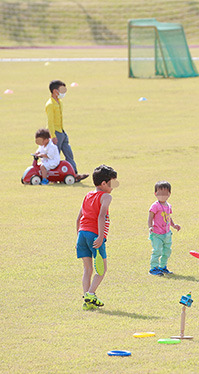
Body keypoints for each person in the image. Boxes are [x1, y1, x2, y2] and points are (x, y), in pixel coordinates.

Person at [75, 165, 118, 310]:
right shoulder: (106, 196)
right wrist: (100, 236)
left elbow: (78, 218)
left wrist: (77, 238)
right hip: (94, 235)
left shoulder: (87, 195)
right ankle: (91, 294)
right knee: (102, 270)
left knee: (87, 270)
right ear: (104, 183)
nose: (113, 186)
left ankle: (87, 301)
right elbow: (101, 216)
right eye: (112, 182)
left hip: (82, 234)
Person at [45, 80, 89, 181]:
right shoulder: (50, 104)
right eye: (62, 90)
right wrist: (53, 135)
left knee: (69, 153)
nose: (64, 92)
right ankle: (51, 176)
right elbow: (50, 122)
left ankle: (74, 174)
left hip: (62, 132)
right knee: (55, 157)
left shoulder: (59, 102)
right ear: (55, 91)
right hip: (55, 133)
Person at [148, 181, 181, 276]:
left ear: (169, 194)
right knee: (157, 251)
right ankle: (153, 268)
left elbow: (168, 217)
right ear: (155, 194)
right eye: (160, 193)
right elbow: (150, 217)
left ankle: (162, 267)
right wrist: (150, 227)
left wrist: (174, 225)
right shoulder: (155, 206)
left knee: (167, 251)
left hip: (167, 233)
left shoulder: (168, 206)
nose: (162, 196)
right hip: (157, 234)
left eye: (165, 193)